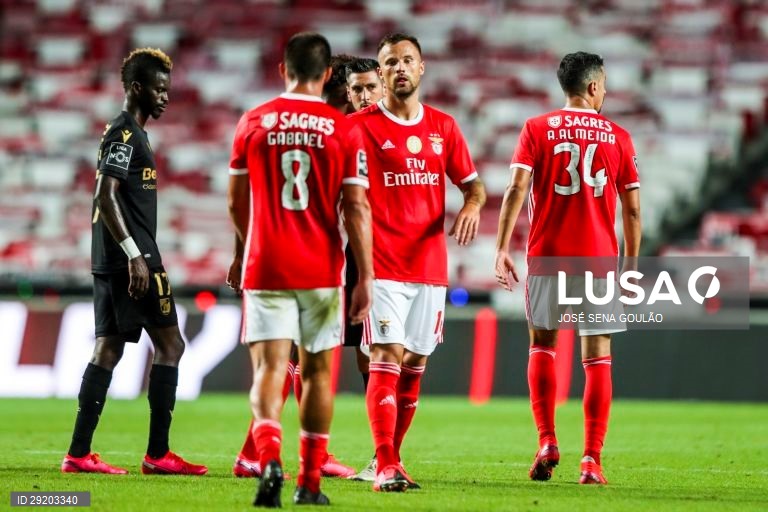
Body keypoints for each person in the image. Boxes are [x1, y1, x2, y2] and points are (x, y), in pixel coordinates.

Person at [227, 32, 373, 507]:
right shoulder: (343, 129)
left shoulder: (254, 121)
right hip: (321, 267)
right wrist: (365, 275)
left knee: (270, 368)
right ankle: (309, 482)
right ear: (328, 75)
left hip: (266, 264)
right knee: (316, 374)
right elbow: (355, 206)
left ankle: (267, 459)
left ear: (281, 69)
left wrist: (250, 247)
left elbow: (236, 201)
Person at [494, 51, 641, 485]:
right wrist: (630, 267)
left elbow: (517, 186)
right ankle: (591, 460)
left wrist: (502, 245)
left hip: (548, 253)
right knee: (597, 358)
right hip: (597, 260)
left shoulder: (536, 128)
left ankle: (547, 440)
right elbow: (632, 212)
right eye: (605, 85)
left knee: (543, 347)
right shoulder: (618, 135)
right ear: (594, 87)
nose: (606, 92)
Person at [349, 32, 486, 492]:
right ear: (382, 72)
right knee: (386, 357)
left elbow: (474, 186)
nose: (400, 68)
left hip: (429, 268)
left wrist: (470, 206)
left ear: (422, 68)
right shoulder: (361, 127)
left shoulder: (443, 128)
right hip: (382, 266)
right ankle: (387, 464)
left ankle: (385, 459)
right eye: (391, 63)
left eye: (408, 60)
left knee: (415, 366)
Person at [61, 48, 207, 476]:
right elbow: (104, 195)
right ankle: (158, 454)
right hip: (133, 259)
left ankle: (78, 453)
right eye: (159, 89)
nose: (166, 97)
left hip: (109, 260)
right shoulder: (125, 135)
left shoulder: (129, 133)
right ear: (137, 88)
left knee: (107, 349)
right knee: (170, 346)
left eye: (168, 89)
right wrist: (135, 256)